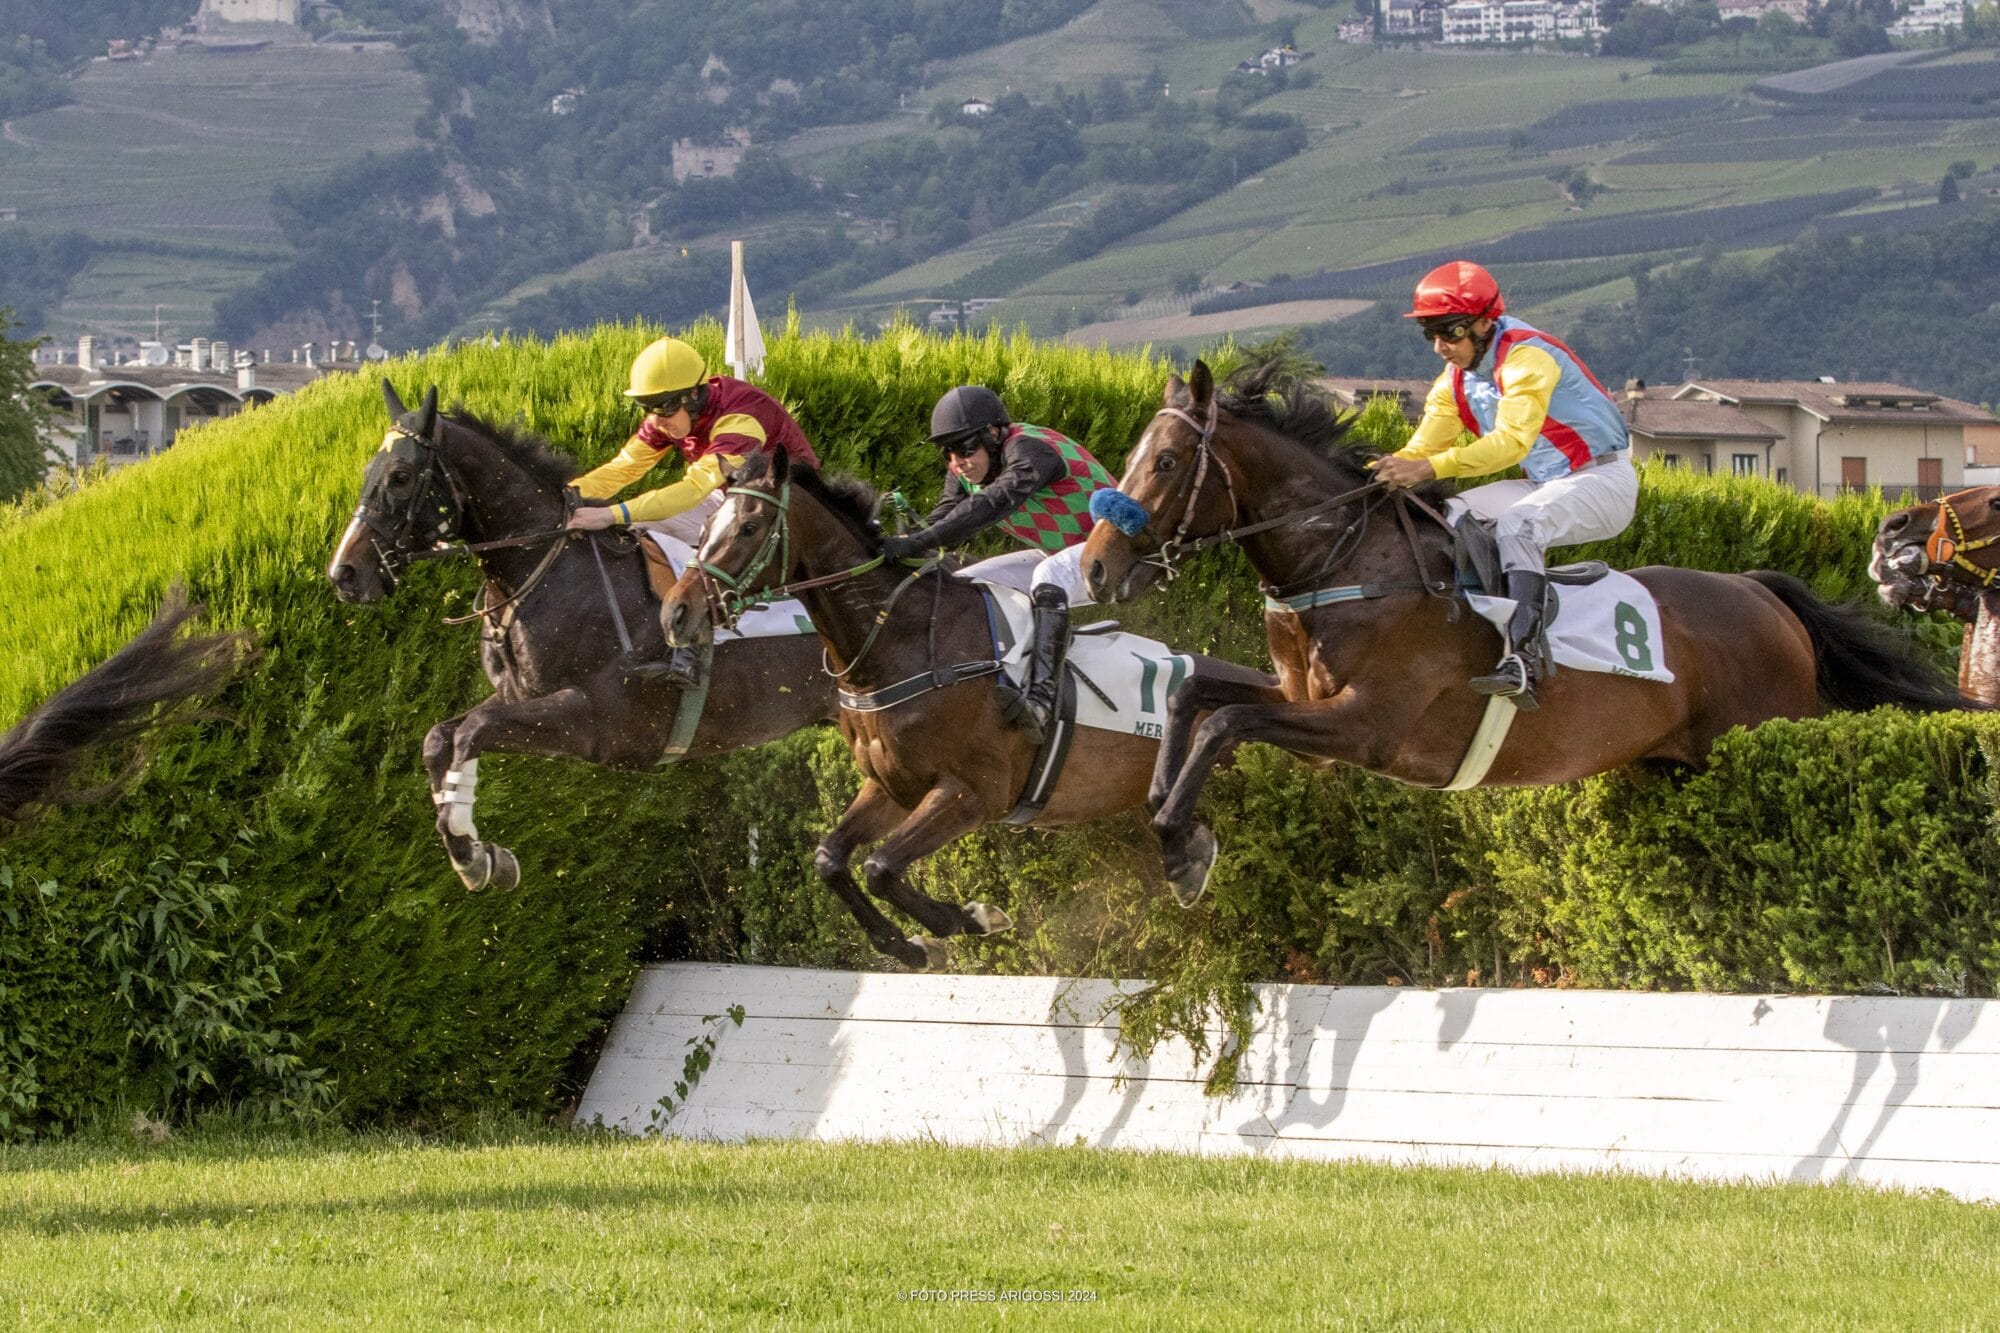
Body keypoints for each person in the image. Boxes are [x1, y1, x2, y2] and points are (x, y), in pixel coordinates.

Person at [1371, 260, 1637, 711]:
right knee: (1448, 515)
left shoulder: (1527, 359)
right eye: (1430, 334)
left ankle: (1525, 660)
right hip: (1543, 483)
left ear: (1484, 323)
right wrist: (1373, 473)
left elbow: (1510, 445)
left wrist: (1427, 469)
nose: (1440, 346)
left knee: (1517, 525)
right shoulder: (1452, 382)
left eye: (1450, 332)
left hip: (1603, 479)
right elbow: (1420, 453)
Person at [567, 336, 821, 685]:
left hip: (785, 512)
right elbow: (624, 467)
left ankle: (693, 644)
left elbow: (693, 489)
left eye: (665, 408)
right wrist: (569, 494)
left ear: (693, 396)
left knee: (640, 518)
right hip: (737, 504)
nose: (658, 420)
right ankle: (672, 633)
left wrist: (610, 514)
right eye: (649, 408)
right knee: (641, 524)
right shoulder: (672, 415)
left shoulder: (741, 418)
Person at [879, 385, 1116, 744]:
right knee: (966, 581)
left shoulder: (1030, 450)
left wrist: (917, 541)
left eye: (965, 449)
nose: (957, 462)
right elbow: (945, 516)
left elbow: (992, 505)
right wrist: (889, 545)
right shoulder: (965, 469)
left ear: (993, 434)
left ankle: (1041, 701)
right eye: (949, 453)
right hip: (1064, 554)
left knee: (1048, 578)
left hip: (1115, 553)